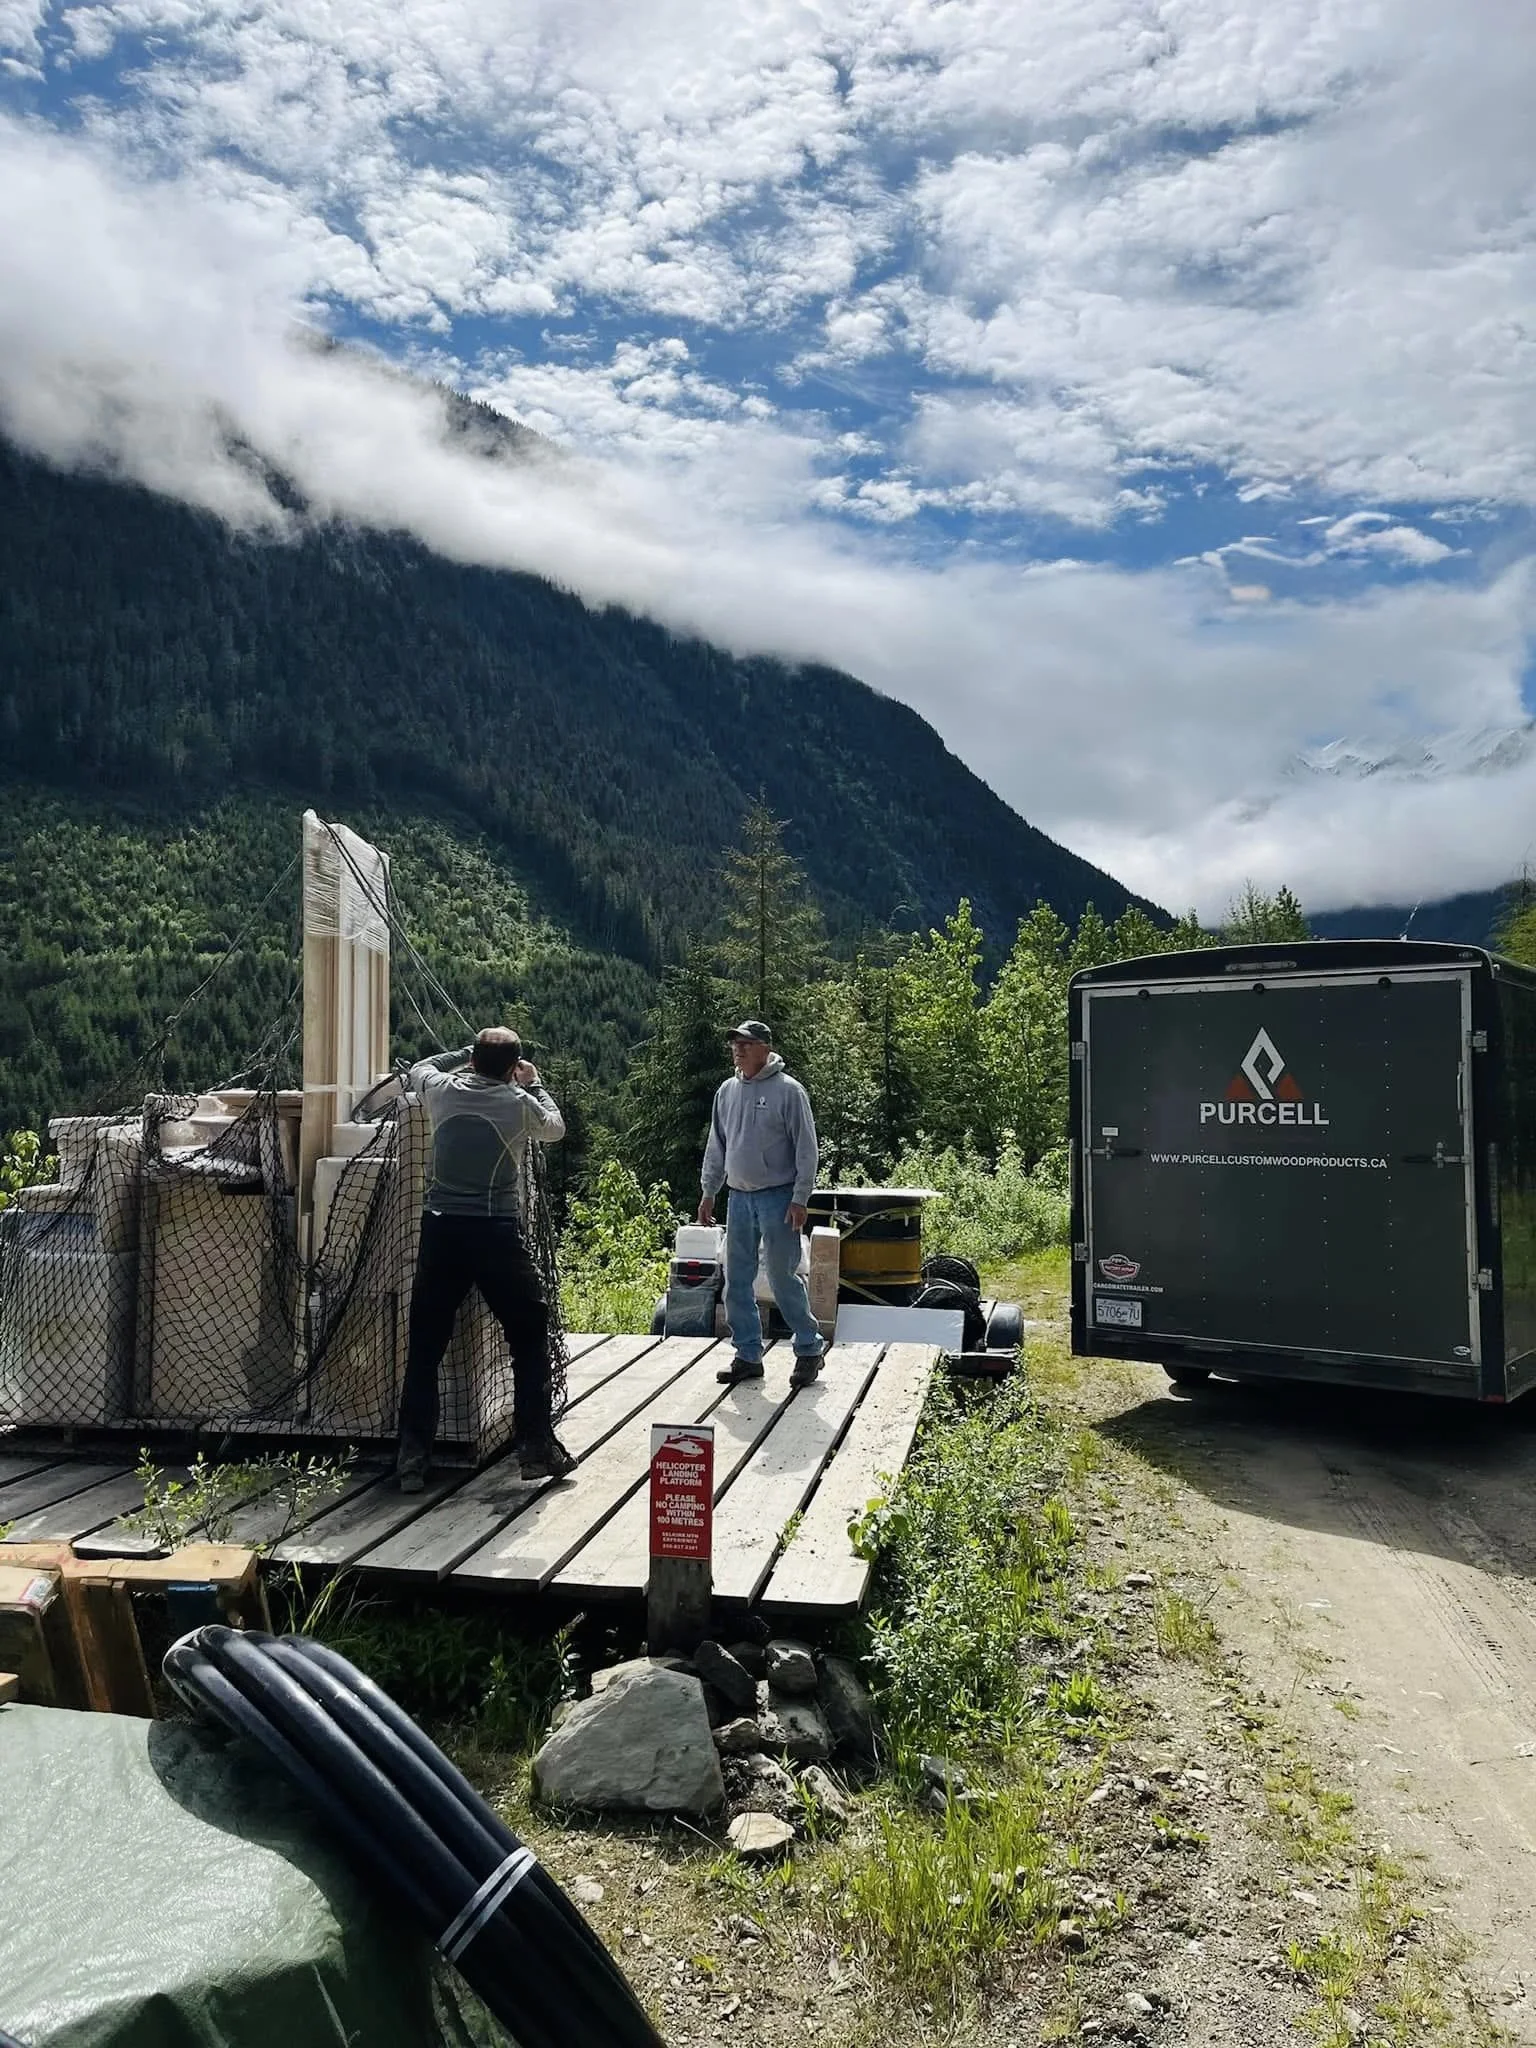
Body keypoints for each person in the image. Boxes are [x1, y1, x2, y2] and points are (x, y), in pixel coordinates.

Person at [395, 1026, 572, 1492]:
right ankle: (535, 1446)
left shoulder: (441, 1092)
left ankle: (412, 1458)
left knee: (425, 1346)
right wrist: (534, 1083)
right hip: (495, 1233)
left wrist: (462, 1054)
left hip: (440, 1230)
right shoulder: (518, 1103)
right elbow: (555, 1128)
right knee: (529, 1332)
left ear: (472, 1060)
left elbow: (420, 1068)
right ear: (513, 1068)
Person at [698, 1019, 826, 1388]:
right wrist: (709, 1191)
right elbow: (717, 1145)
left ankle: (808, 1348)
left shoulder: (789, 1091)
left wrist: (800, 1197)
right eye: (734, 1044)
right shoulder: (726, 1091)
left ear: (765, 1049)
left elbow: (806, 1149)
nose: (738, 1049)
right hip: (738, 1197)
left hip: (778, 1197)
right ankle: (748, 1355)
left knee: (782, 1277)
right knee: (736, 1278)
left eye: (746, 1044)